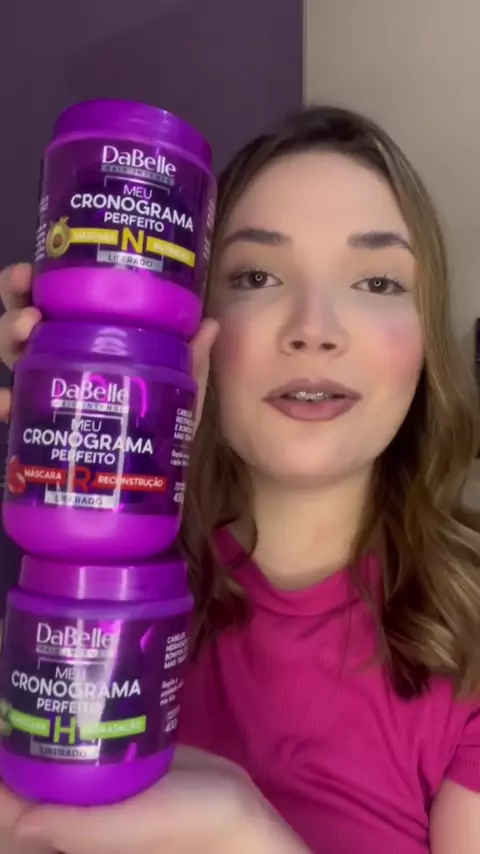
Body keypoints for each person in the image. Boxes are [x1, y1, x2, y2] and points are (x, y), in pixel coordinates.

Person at [0, 105, 479, 854]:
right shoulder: (94, 611)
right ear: (192, 324)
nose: (314, 328)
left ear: (426, 343)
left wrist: (243, 833)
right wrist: (94, 420)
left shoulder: (472, 638)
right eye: (256, 276)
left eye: (377, 280)